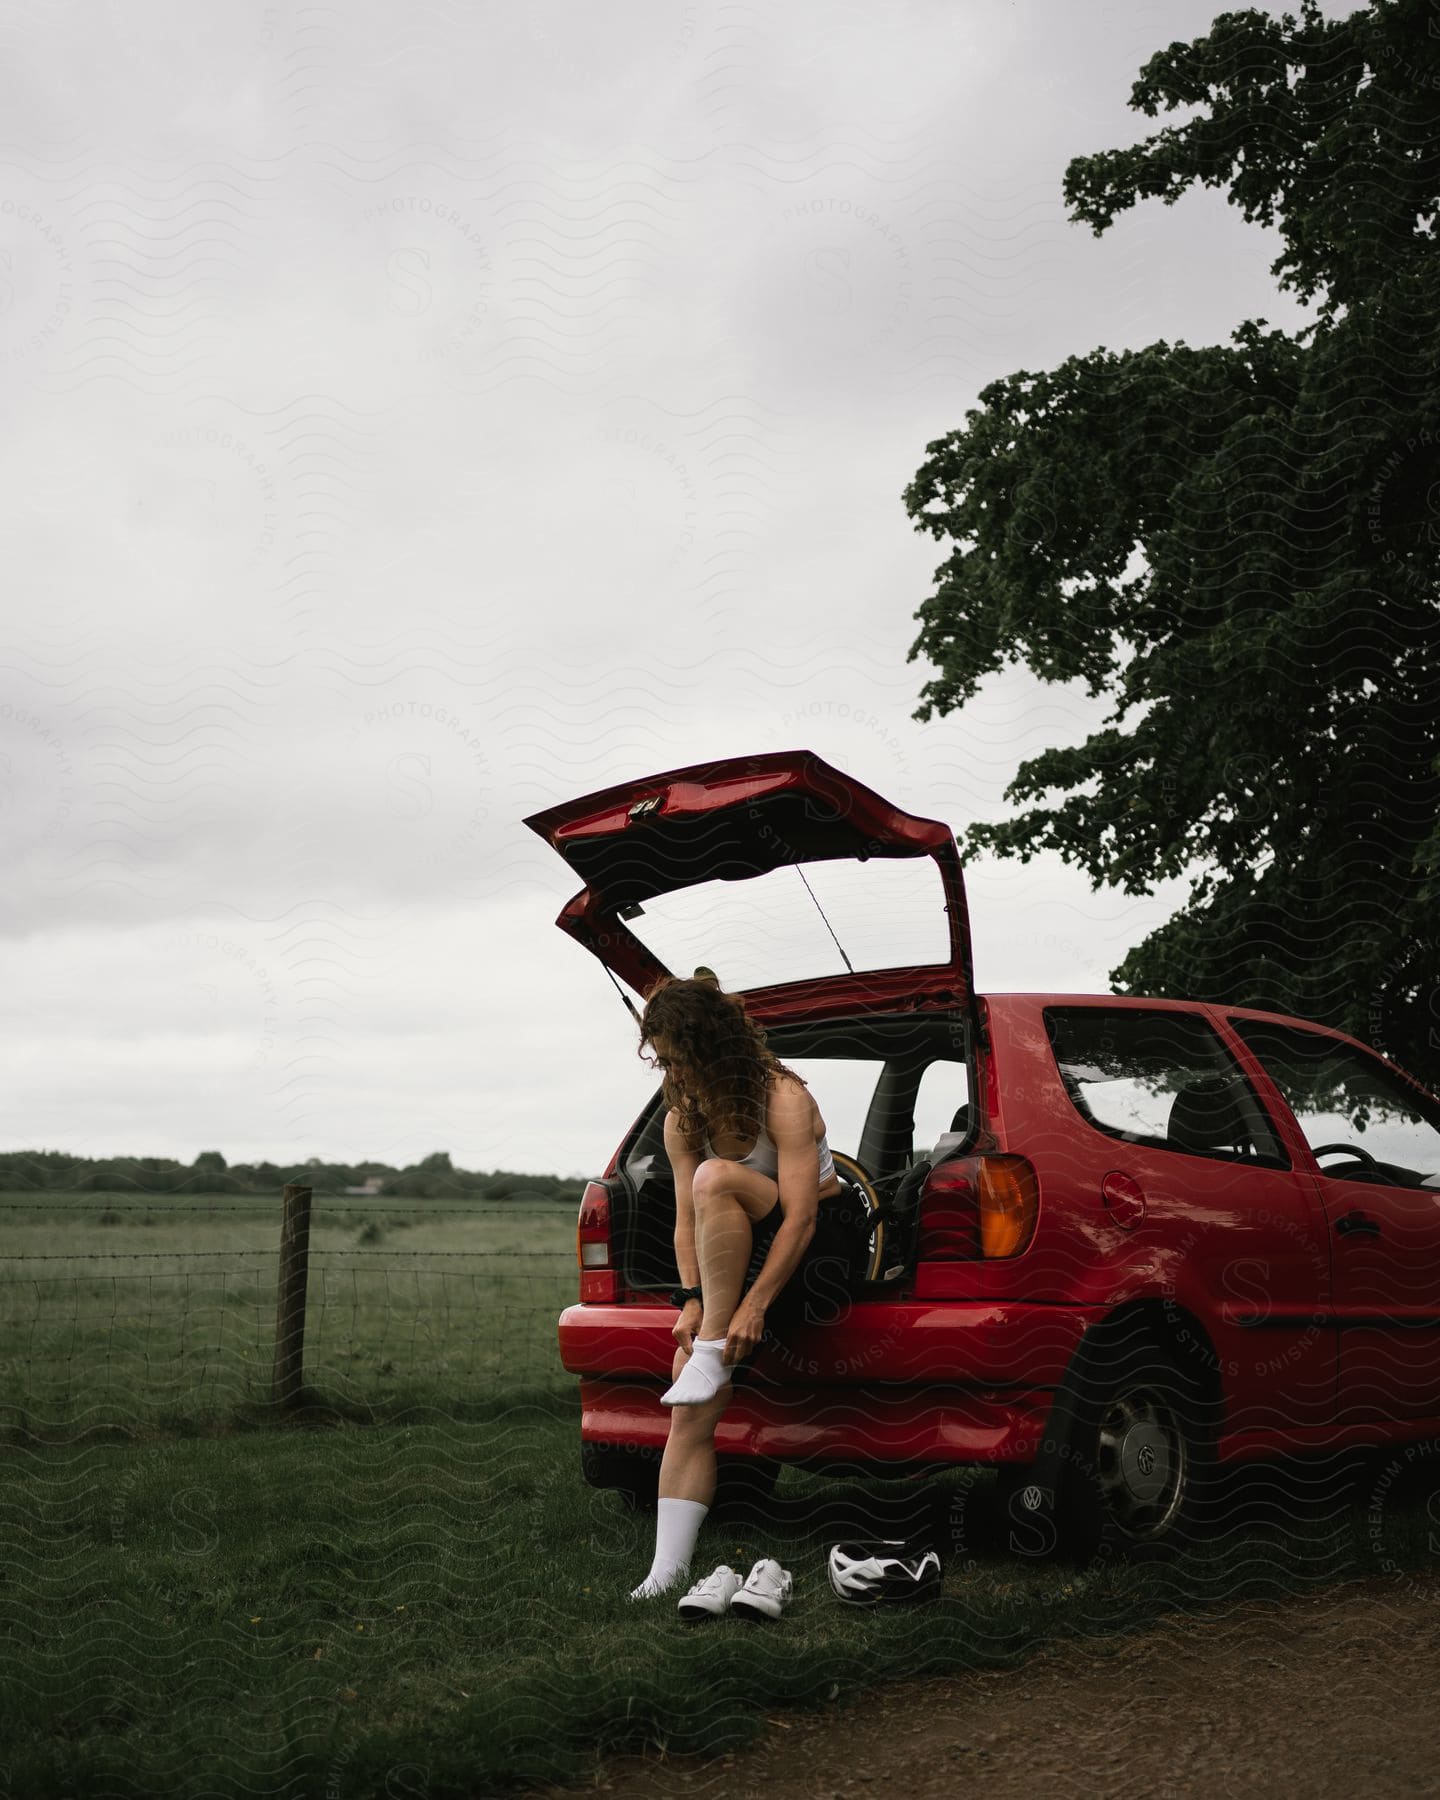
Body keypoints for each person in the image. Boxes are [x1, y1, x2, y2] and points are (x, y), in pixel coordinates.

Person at [626, 971, 850, 1601]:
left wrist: (753, 1306)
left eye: (676, 1059)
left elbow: (804, 1217)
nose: (670, 1074)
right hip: (742, 1248)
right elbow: (683, 1225)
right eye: (662, 1062)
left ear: (708, 1048)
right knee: (694, 1399)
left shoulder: (782, 1097)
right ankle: (664, 1573)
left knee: (717, 1179)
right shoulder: (683, 1119)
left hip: (823, 1245)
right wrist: (692, 1302)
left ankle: (709, 1352)